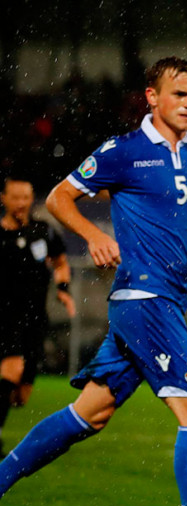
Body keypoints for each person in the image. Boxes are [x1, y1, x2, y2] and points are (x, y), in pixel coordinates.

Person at [0, 57, 187, 506]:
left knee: (89, 414)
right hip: (144, 302)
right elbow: (60, 197)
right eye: (178, 95)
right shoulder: (124, 152)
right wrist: (96, 235)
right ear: (152, 96)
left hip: (160, 303)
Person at [0, 177, 77, 455]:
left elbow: (60, 261)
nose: (21, 203)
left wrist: (63, 289)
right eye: (15, 197)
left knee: (20, 395)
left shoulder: (43, 231)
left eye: (26, 197)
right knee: (12, 368)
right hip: (5, 317)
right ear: (4, 199)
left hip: (35, 317)